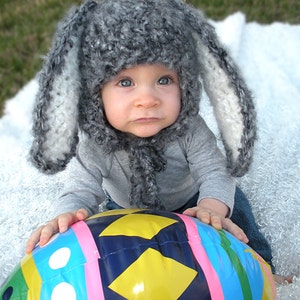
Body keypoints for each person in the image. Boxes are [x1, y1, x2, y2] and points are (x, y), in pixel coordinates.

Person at [26, 0, 289, 283]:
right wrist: (67, 216)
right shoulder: (96, 143)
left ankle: (262, 269)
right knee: (105, 243)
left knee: (235, 215)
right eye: (125, 82)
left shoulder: (189, 130)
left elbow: (215, 172)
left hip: (192, 203)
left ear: (185, 84)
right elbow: (80, 189)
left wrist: (211, 208)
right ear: (94, 94)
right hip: (126, 208)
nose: (148, 99)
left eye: (164, 80)